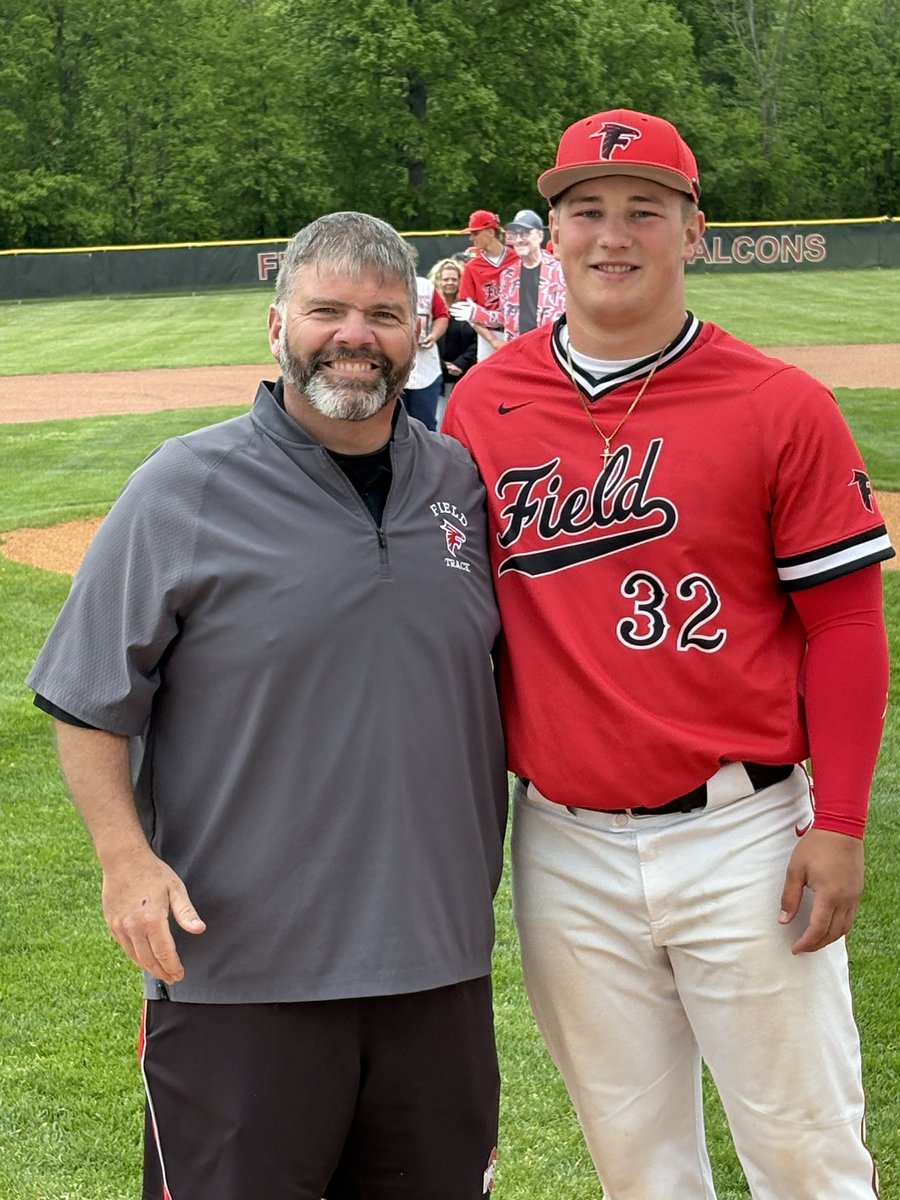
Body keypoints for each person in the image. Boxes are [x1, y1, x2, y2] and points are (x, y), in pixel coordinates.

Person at [443, 109, 892, 1198]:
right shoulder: (483, 406)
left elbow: (842, 625)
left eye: (645, 210)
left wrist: (836, 825)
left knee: (806, 1156)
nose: (613, 235)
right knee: (637, 1167)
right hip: (563, 843)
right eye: (586, 210)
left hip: (744, 834)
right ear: (549, 235)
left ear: (694, 231)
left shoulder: (780, 404)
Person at [27, 211, 508, 1200]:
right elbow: (86, 696)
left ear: (416, 333)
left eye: (383, 313)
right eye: (327, 309)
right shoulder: (182, 488)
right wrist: (125, 861)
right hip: (242, 968)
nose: (355, 335)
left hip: (437, 969)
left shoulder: (459, 485)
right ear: (278, 323)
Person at [453, 208, 566, 345]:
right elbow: (505, 317)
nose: (518, 239)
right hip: (514, 344)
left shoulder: (560, 269)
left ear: (539, 236)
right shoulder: (508, 275)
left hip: (552, 344)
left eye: (525, 234)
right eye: (515, 234)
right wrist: (476, 314)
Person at [457, 208, 517, 362]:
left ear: (491, 232)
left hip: (521, 331)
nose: (471, 238)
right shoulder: (472, 267)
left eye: (475, 233)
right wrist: (493, 340)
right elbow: (468, 311)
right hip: (489, 335)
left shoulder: (519, 259)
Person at [400, 245, 449, 430]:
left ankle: (426, 458)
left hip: (425, 365)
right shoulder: (381, 286)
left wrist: (434, 335)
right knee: (393, 425)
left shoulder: (425, 286)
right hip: (394, 364)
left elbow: (442, 315)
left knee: (425, 424)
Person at [428, 256, 477, 429]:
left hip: (463, 374)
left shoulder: (468, 307)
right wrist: (443, 366)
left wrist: (460, 364)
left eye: (454, 279)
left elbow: (477, 340)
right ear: (438, 280)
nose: (450, 283)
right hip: (436, 375)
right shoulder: (429, 309)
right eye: (446, 279)